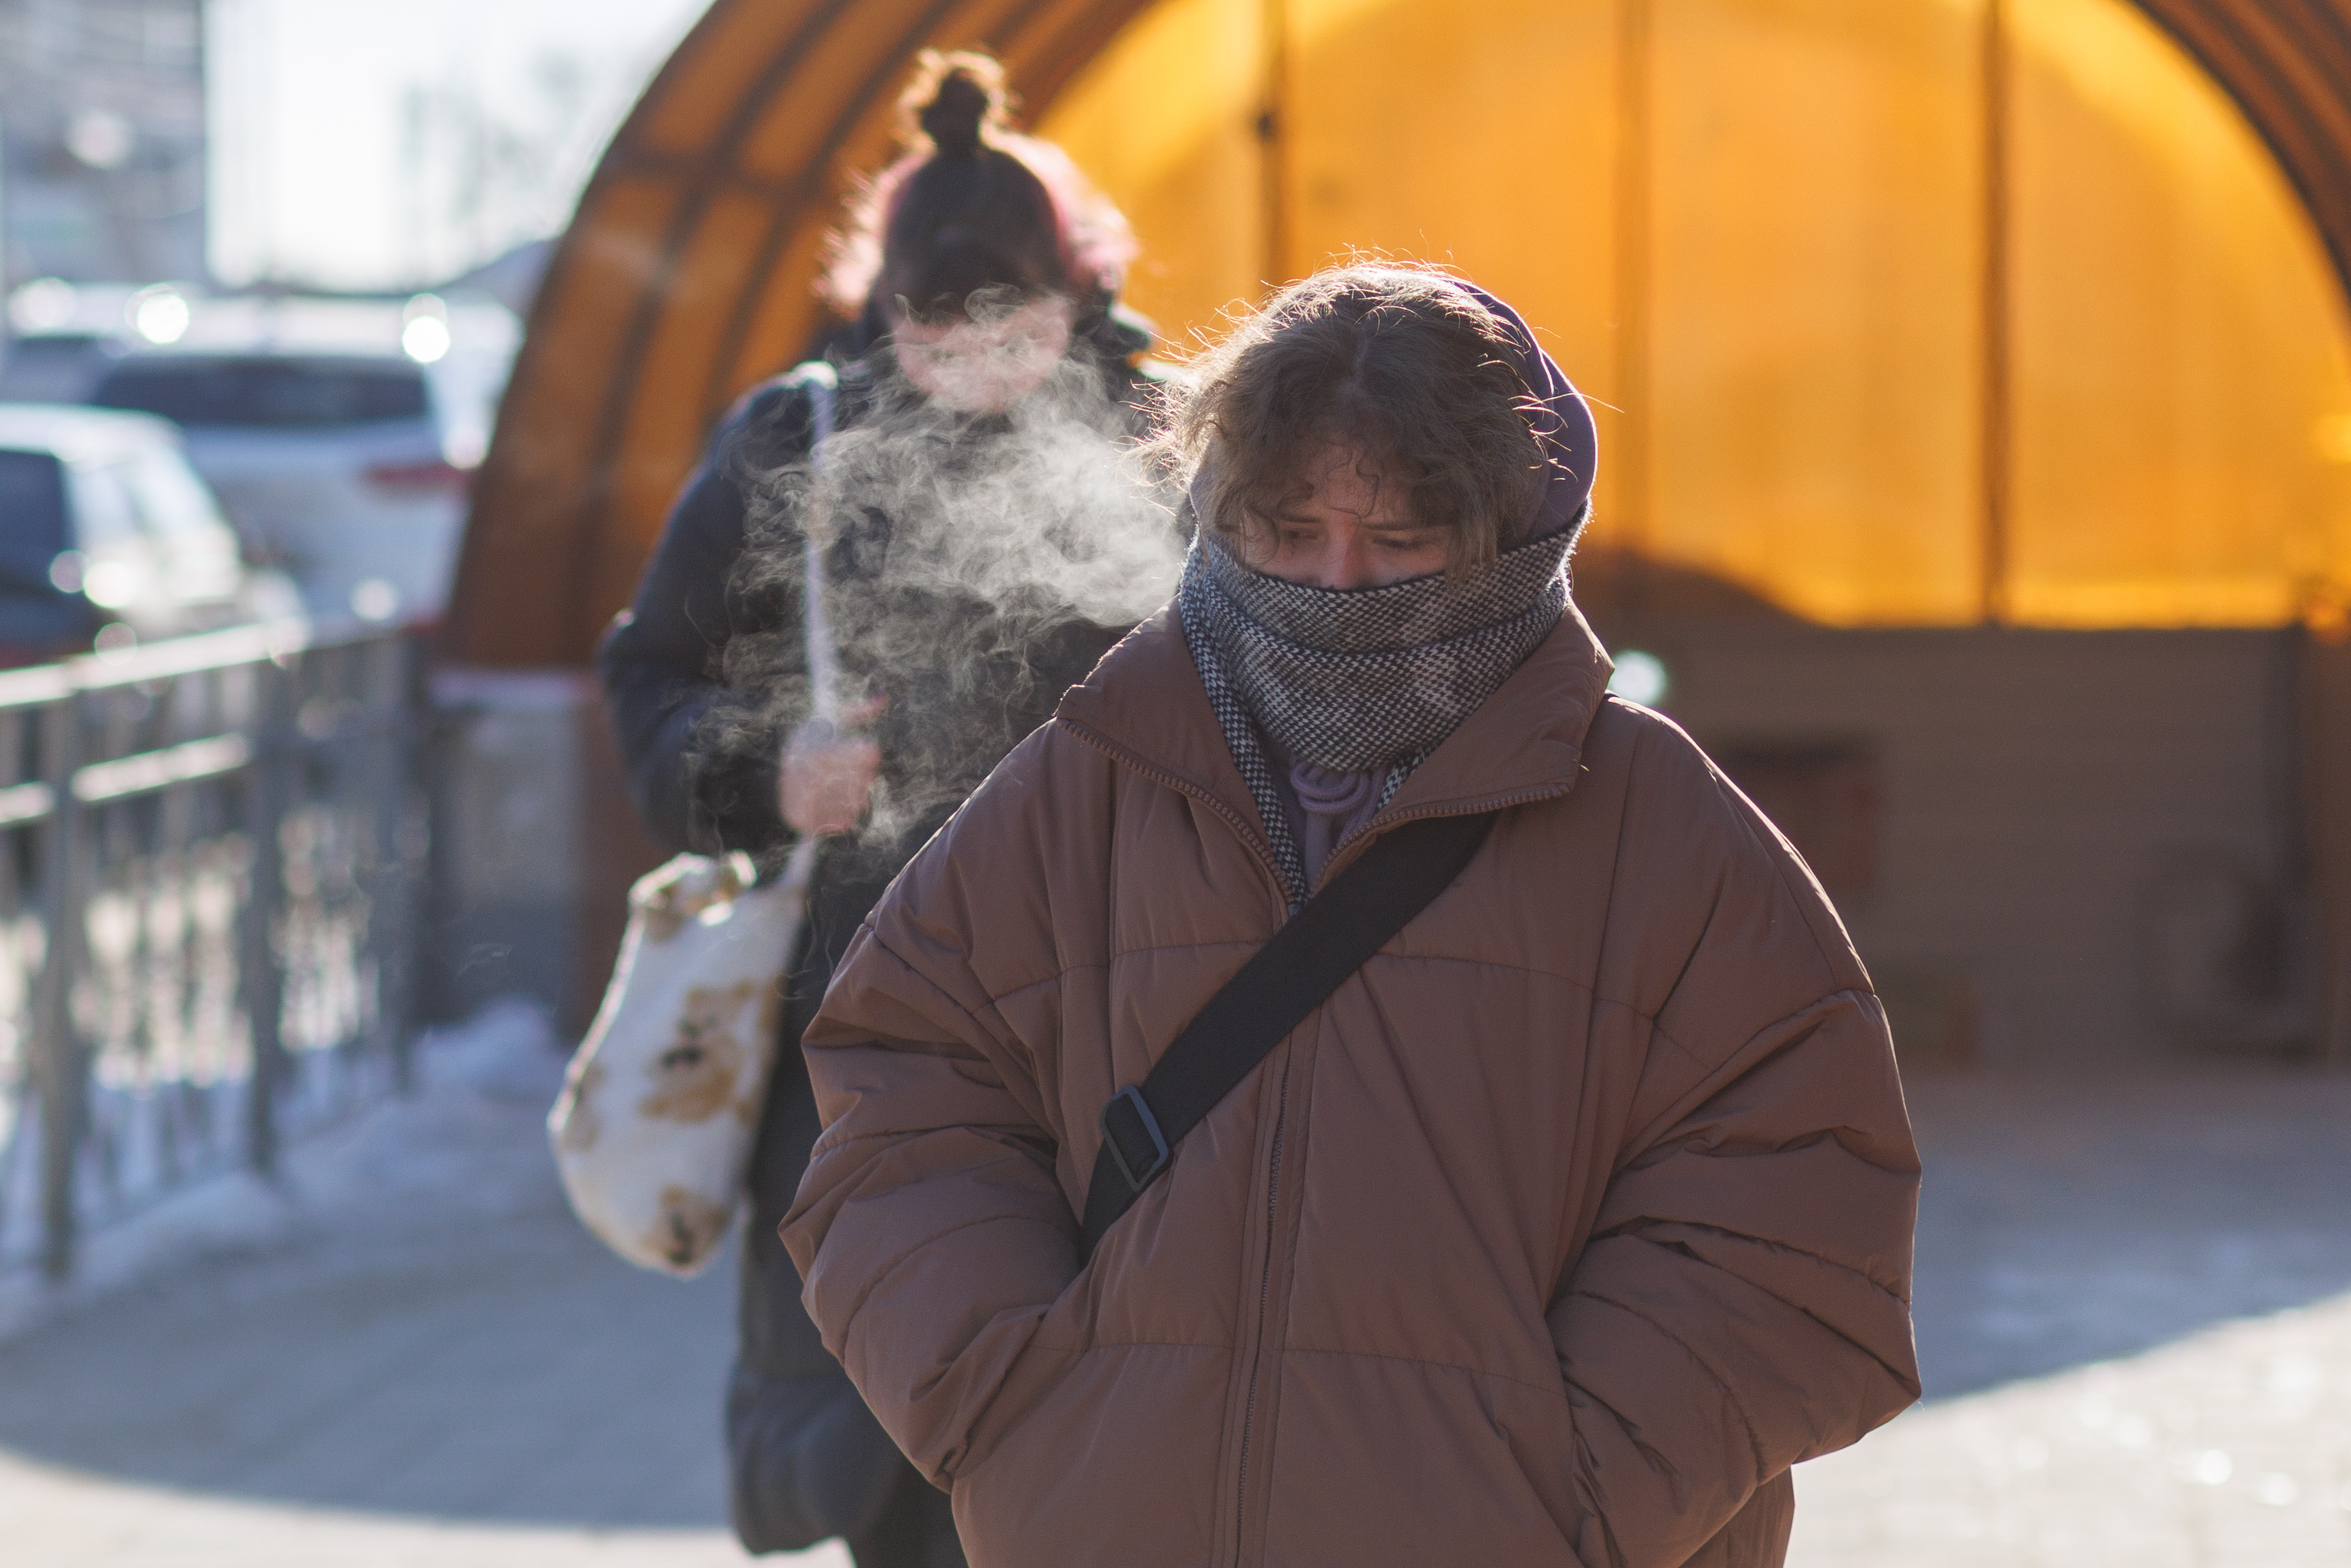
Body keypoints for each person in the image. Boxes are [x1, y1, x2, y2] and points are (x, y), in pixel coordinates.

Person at [780, 265, 1923, 1567]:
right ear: (1220, 519)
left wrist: (1567, 1496)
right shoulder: (1086, 777)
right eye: (1285, 532)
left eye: (1399, 542)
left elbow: (1791, 1211)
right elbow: (904, 1087)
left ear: (1506, 533)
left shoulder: (1661, 825)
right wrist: (1012, 1406)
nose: (1338, 584)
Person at [598, 51, 1172, 1567]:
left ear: (1083, 290)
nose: (982, 364)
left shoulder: (1173, 436)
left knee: (1113, 1436)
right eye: (940, 332)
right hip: (857, 1029)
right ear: (883, 306)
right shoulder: (790, 439)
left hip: (1134, 1018)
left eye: (1021, 328)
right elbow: (650, 673)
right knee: (894, 1439)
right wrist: (764, 769)